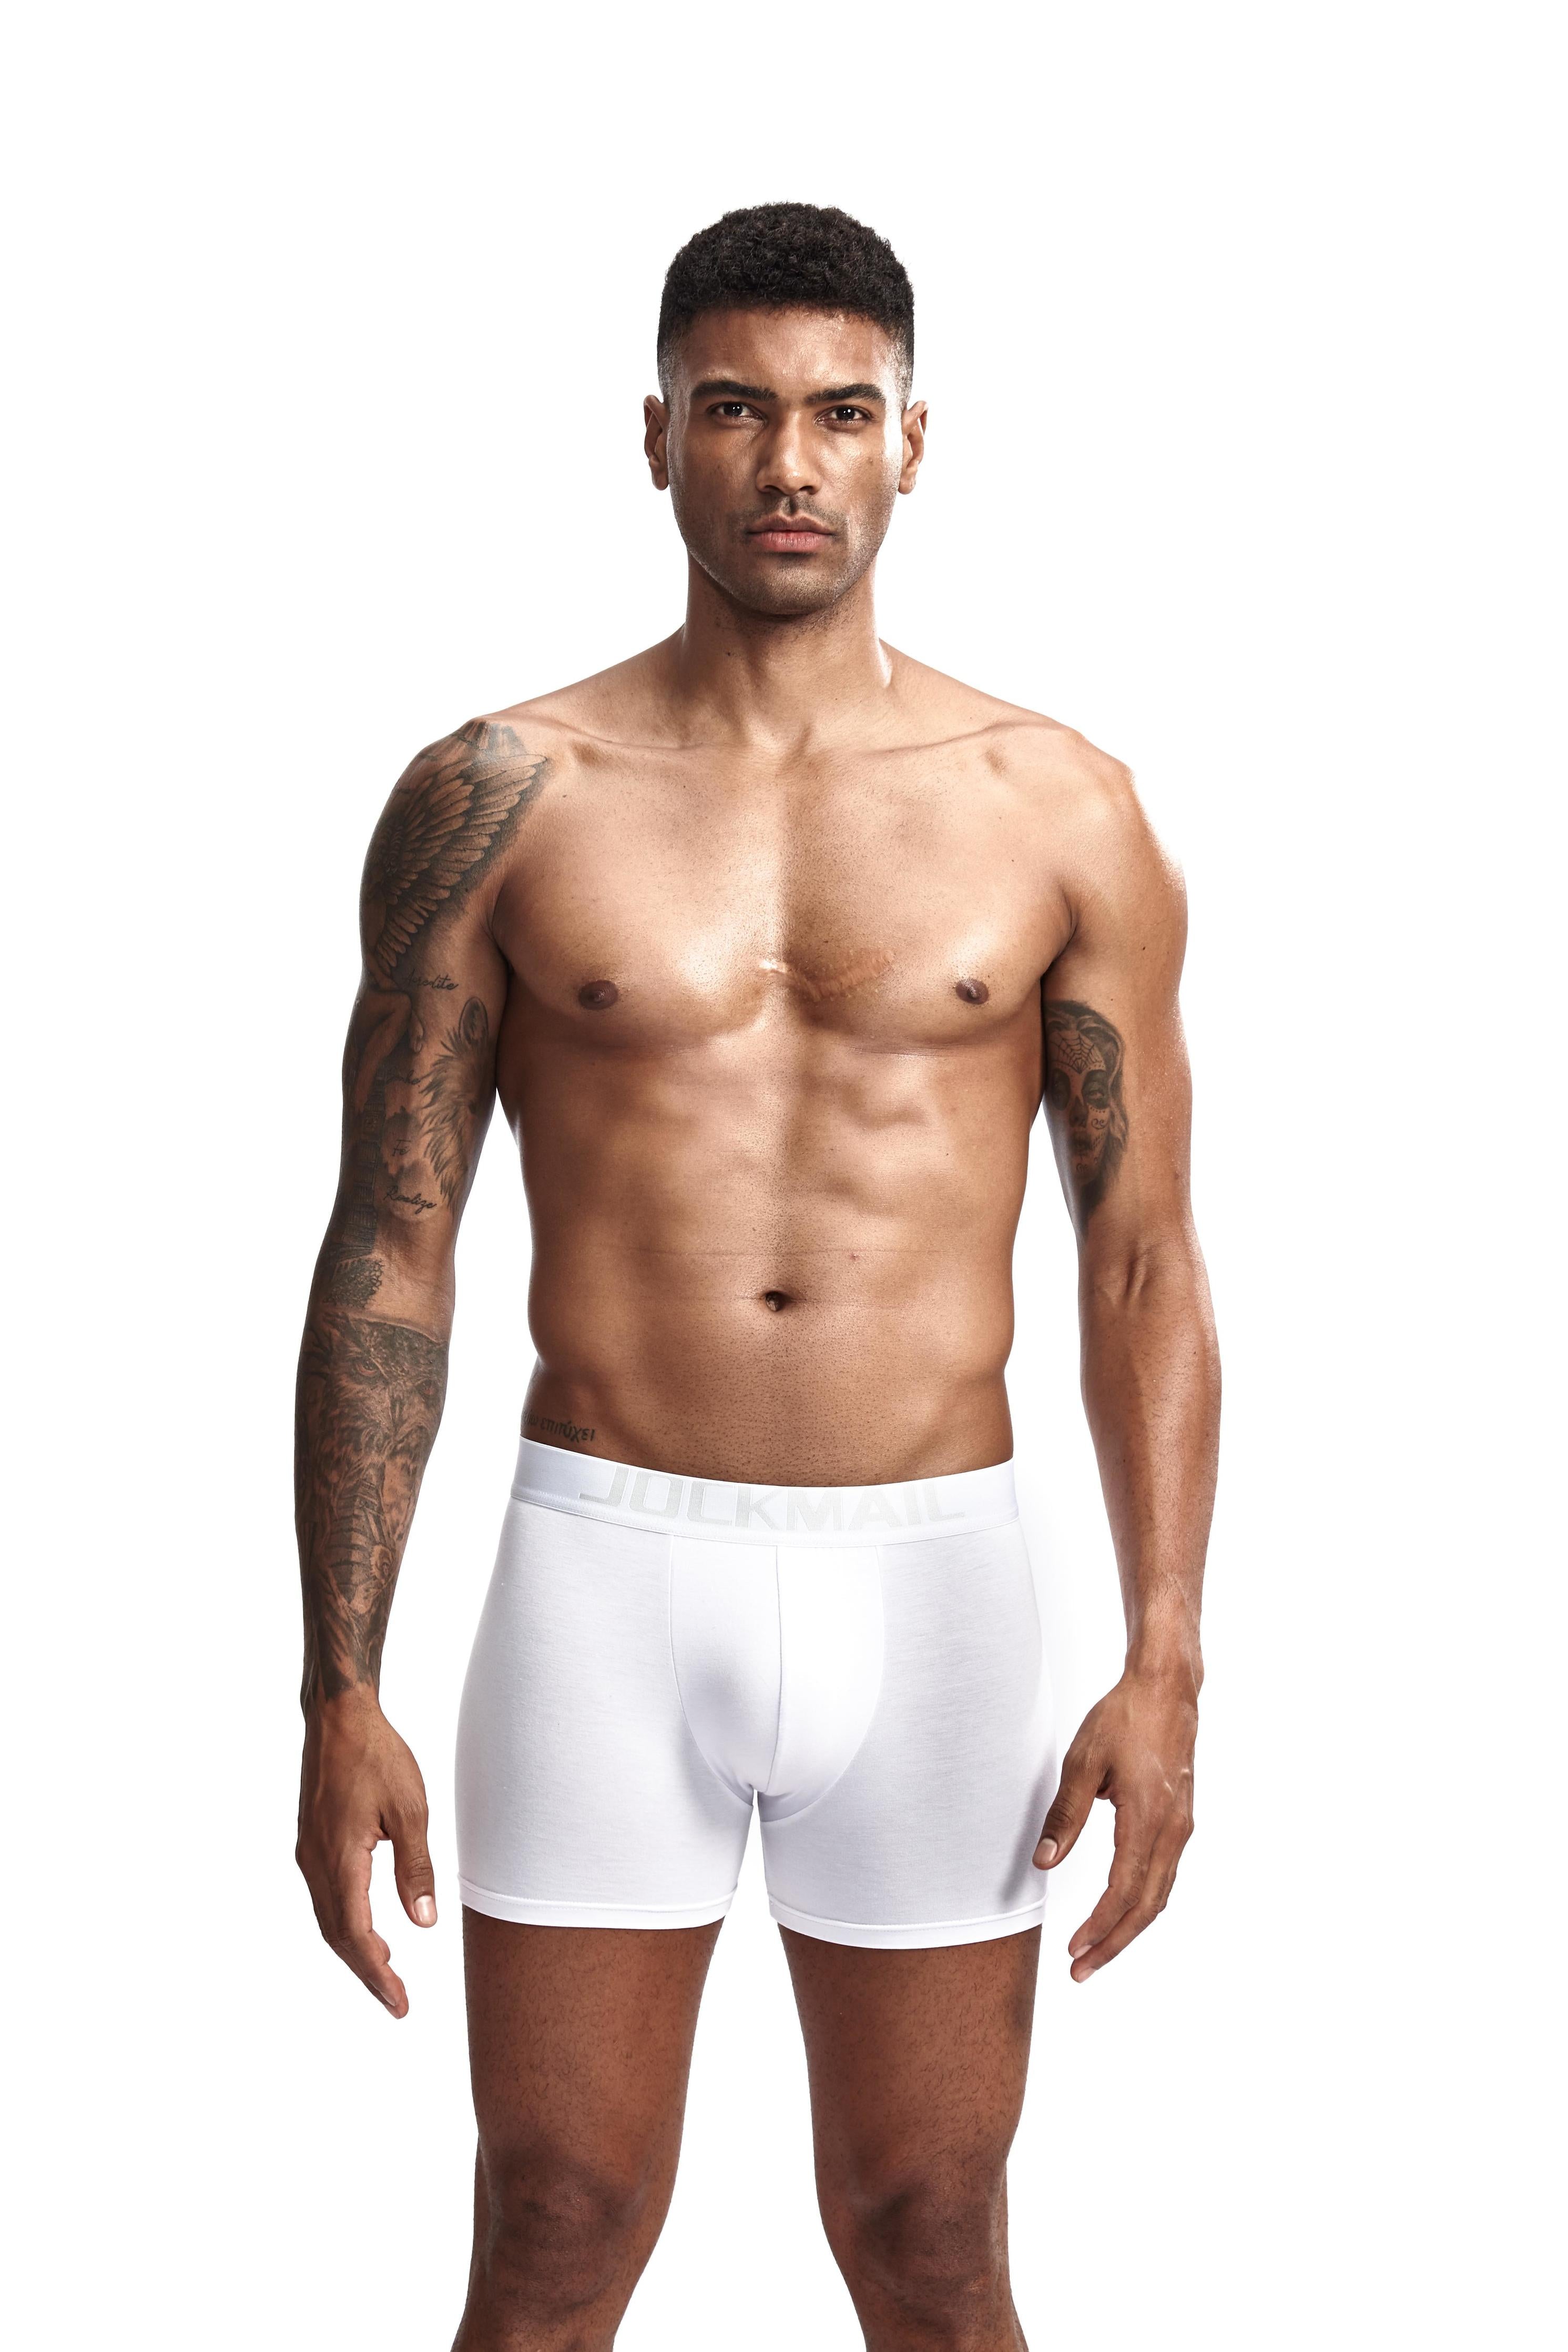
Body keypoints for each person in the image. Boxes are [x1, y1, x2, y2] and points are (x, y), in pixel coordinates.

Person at [294, 201, 1220, 2352]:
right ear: (655, 437)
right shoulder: (501, 792)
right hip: (605, 1567)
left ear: (914, 441)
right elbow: (391, 1239)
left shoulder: (1057, 805)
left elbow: (1143, 1255)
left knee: (931, 2235)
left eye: (837, 413)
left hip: (939, 1580)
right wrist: (339, 1682)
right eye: (733, 410)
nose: (788, 463)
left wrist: (1166, 1652)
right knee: (552, 2223)